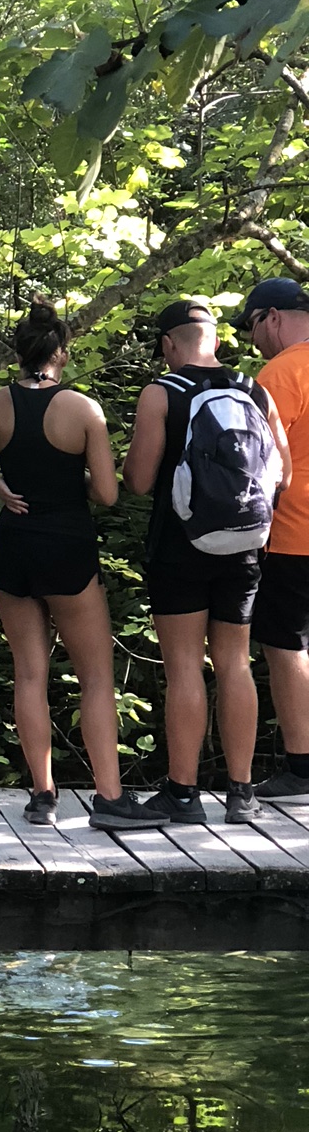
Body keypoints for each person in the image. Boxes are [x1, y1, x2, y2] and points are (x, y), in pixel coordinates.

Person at [0, 303, 149, 826]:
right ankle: (110, 797)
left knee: (29, 674)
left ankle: (42, 794)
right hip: (67, 547)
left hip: (15, 544)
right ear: (61, 353)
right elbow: (108, 494)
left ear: (19, 354)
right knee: (96, 679)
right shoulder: (83, 409)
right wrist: (74, 480)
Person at [124, 298, 286, 823]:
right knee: (236, 663)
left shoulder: (162, 392)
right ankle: (242, 792)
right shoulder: (254, 389)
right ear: (215, 339)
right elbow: (281, 472)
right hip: (245, 546)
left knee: (184, 668)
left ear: (168, 344)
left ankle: (183, 793)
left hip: (180, 547)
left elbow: (139, 481)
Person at [239, 276, 309, 803]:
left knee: (288, 646)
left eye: (252, 326)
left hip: (294, 533)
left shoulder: (282, 373)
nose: (252, 339)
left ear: (274, 318)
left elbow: (260, 461)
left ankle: (302, 769)